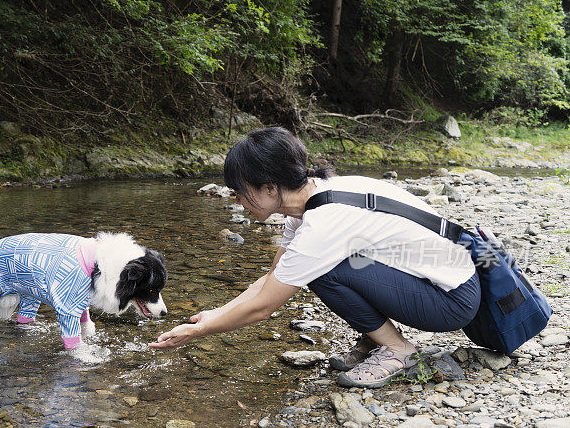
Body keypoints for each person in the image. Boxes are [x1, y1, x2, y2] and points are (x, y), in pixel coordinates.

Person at [149, 127, 480, 388]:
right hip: (438, 281)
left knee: (323, 271)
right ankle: (378, 339)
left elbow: (264, 306)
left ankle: (397, 350)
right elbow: (274, 276)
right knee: (318, 265)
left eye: (240, 191)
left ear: (269, 188)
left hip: (450, 299)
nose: (238, 201)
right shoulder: (313, 198)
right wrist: (217, 313)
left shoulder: (323, 222)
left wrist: (195, 334)